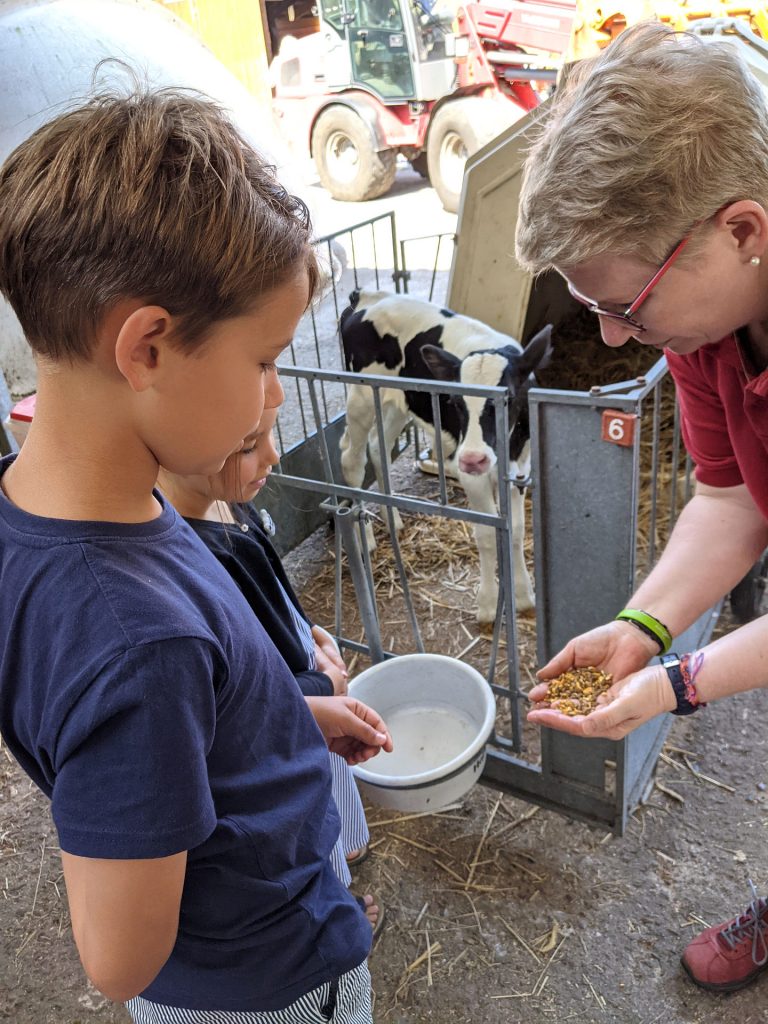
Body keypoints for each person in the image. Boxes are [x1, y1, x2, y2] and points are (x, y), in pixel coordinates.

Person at [0, 86, 393, 1023]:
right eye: (263, 360)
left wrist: (287, 719)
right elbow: (119, 956)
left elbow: (182, 717)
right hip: (270, 988)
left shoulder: (63, 514)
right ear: (148, 347)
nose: (271, 398)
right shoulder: (138, 647)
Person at [515, 23, 768, 994]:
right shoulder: (709, 327)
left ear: (740, 230)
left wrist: (673, 683)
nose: (617, 340)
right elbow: (730, 495)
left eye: (629, 305)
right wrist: (641, 624)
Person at [157, 405, 382, 935]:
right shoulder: (193, 560)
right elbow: (243, 699)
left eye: (269, 436)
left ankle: (344, 861)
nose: (274, 456)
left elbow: (270, 595)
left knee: (334, 796)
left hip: (304, 683)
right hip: (286, 719)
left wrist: (308, 633)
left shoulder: (226, 501)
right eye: (247, 446)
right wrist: (322, 683)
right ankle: (338, 905)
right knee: (310, 817)